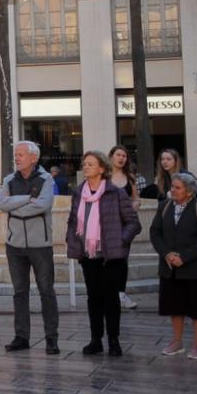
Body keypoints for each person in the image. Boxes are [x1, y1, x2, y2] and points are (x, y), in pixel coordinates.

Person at [66, 150, 141, 357]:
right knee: (93, 298)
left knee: (111, 298)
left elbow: (133, 223)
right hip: (88, 255)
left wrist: (120, 240)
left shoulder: (115, 192)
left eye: (90, 164)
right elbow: (73, 221)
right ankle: (95, 340)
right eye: (84, 163)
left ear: (102, 168)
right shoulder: (78, 193)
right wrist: (72, 240)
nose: (85, 166)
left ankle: (114, 340)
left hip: (111, 256)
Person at [0, 141, 60, 354]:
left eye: (20, 154)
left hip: (40, 245)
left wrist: (15, 206)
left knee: (46, 291)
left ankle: (51, 339)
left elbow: (43, 205)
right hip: (14, 245)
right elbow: (0, 203)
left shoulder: (46, 179)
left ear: (34, 158)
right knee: (19, 292)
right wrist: (27, 199)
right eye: (16, 154)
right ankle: (21, 337)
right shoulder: (9, 180)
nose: (16, 157)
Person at [149, 172, 197, 360]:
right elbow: (155, 232)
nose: (173, 190)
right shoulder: (164, 206)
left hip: (196, 270)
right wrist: (166, 254)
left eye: (177, 188)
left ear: (189, 191)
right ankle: (176, 342)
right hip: (170, 269)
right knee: (174, 307)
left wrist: (184, 257)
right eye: (172, 186)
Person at [108, 144, 144, 310]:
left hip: (125, 223)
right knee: (108, 259)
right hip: (108, 223)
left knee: (123, 258)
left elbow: (136, 198)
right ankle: (110, 293)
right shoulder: (103, 176)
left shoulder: (130, 177)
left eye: (124, 156)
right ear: (111, 157)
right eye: (118, 155)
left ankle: (121, 293)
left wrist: (135, 205)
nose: (121, 158)